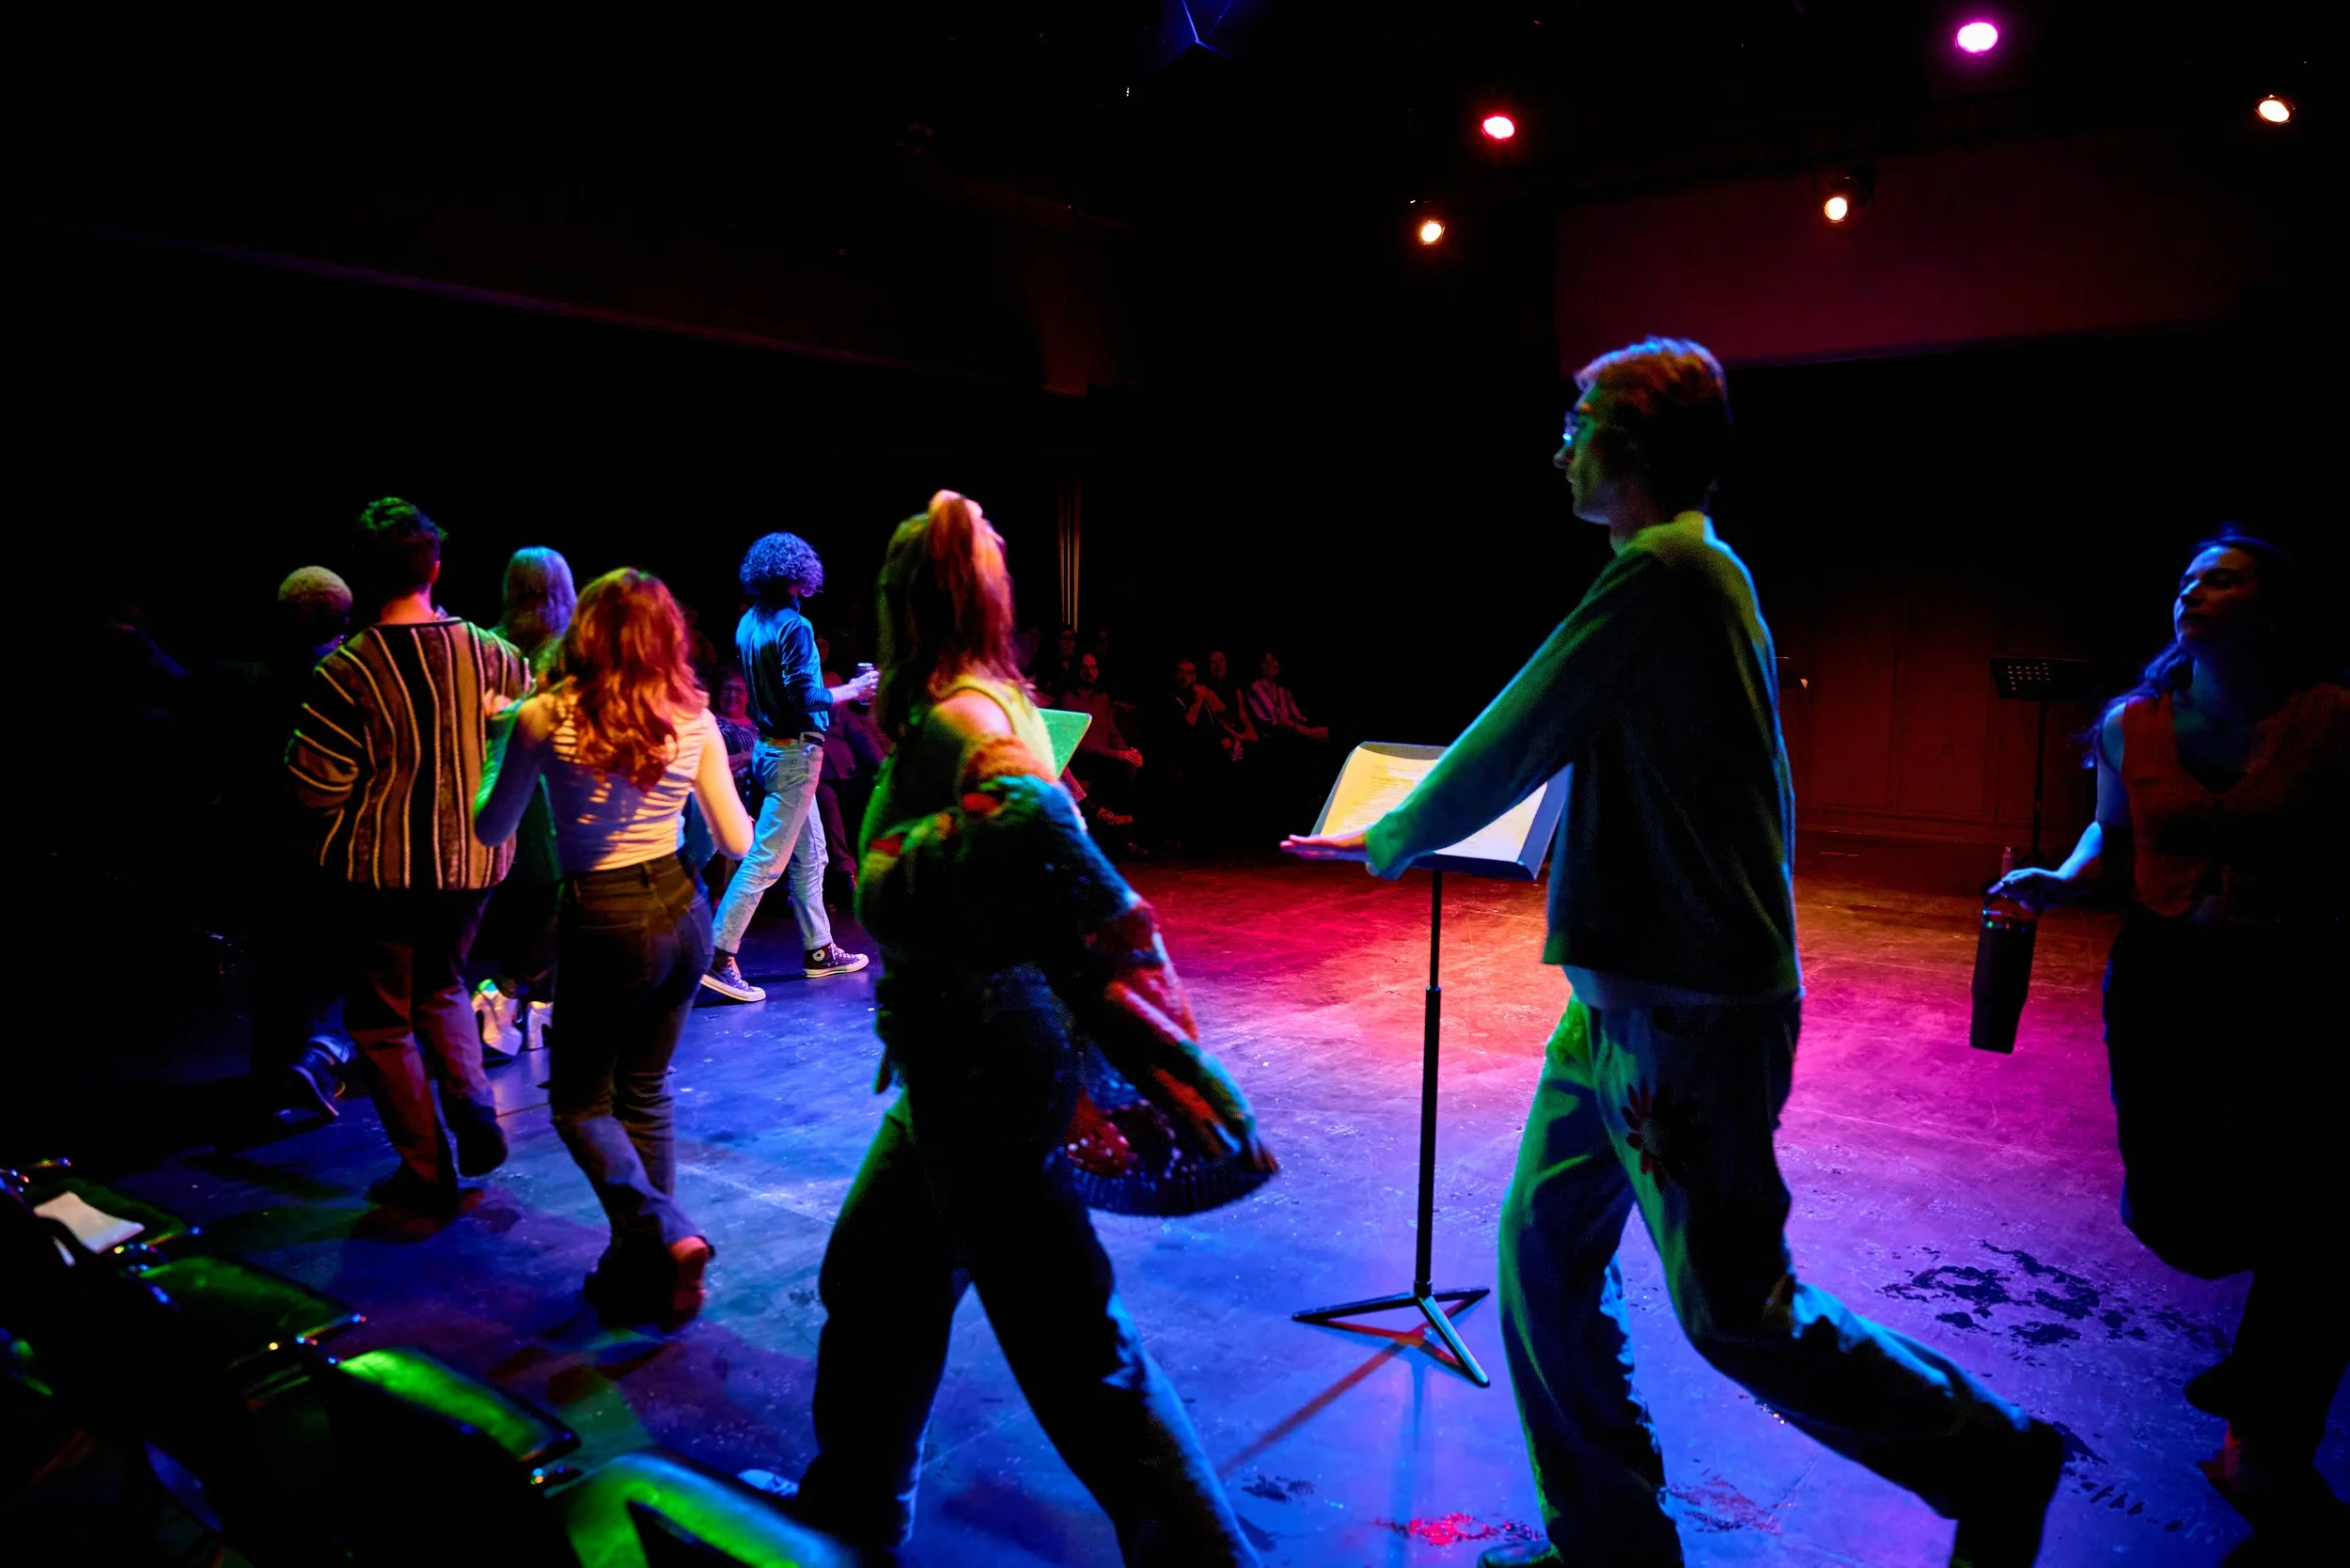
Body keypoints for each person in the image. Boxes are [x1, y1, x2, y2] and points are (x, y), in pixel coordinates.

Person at [1284, 339, 2061, 1568]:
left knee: (1735, 1312)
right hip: (1618, 1006)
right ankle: (1608, 1542)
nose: (1559, 446)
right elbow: (1584, 749)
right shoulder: (1690, 578)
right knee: (1541, 1262)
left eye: (1579, 422)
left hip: (1687, 1014)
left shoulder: (1666, 575)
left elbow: (1519, 729)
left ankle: (1990, 1454)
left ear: (1635, 449)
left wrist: (1389, 833)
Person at [784, 491, 1269, 1564]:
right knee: (874, 1288)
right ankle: (849, 1513)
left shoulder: (966, 723)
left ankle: (1206, 1557)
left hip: (985, 1077)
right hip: (955, 1071)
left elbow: (1052, 852)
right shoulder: (982, 703)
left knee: (1074, 1348)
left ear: (903, 607)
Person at [1990, 530, 2346, 1529]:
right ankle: (2268, 1356)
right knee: (2178, 1220)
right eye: (2185, 579)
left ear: (2269, 608)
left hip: (2294, 986)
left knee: (2315, 1223)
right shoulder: (2131, 722)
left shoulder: (2328, 718)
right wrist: (2062, 877)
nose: (2191, 591)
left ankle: (2265, 1436)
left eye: (2219, 578)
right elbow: (2112, 824)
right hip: (2164, 986)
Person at [475, 569, 753, 1327]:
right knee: (645, 1091)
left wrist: (501, 744)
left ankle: (663, 1232)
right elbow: (737, 839)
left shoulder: (545, 716)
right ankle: (643, 1265)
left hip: (603, 916)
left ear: (584, 632)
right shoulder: (690, 716)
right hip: (683, 910)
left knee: (577, 1103)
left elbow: (489, 829)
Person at [288, 498, 531, 1214]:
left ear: (365, 576)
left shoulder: (346, 672)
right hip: (472, 864)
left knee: (384, 1022)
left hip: (381, 874)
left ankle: (425, 1171)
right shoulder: (494, 654)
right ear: (436, 565)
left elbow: (315, 786)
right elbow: (523, 744)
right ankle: (474, 1111)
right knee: (445, 986)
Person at [701, 533, 879, 1003]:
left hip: (770, 751)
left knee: (812, 854)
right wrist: (854, 689)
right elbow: (807, 697)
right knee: (767, 861)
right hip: (795, 754)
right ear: (800, 576)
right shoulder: (794, 628)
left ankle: (818, 949)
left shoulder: (747, 624)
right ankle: (719, 955)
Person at [217, 567, 358, 1121]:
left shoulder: (244, 678)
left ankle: (270, 1085)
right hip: (326, 847)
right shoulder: (347, 676)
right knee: (338, 965)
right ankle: (318, 1059)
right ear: (343, 619)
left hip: (259, 848)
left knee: (275, 972)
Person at [472, 546, 576, 1060]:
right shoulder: (569, 651)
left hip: (497, 791)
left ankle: (537, 1008)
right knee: (558, 904)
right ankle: (505, 993)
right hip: (550, 798)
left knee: (526, 908)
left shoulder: (489, 647)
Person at [1061, 651, 1143, 826]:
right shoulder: (1068, 701)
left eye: (1094, 668)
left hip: (1106, 758)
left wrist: (1127, 750)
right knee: (1115, 771)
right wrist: (1115, 754)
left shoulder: (1102, 698)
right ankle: (1113, 825)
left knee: (1134, 764)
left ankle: (1128, 828)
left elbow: (1113, 732)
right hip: (1086, 760)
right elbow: (1080, 745)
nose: (1090, 673)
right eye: (1084, 668)